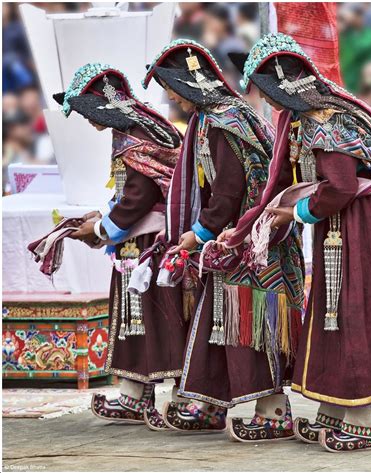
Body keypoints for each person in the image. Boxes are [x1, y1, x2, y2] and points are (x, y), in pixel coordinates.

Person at [226, 33, 371, 452]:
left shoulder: (328, 122)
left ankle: (366, 420)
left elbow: (340, 186)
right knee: (333, 309)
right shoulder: (316, 117)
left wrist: (295, 213)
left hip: (361, 226)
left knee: (355, 310)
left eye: (267, 92)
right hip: (343, 225)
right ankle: (335, 409)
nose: (268, 102)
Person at [142, 39, 305, 442]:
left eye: (171, 89)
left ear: (186, 85)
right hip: (240, 240)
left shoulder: (221, 122)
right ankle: (209, 403)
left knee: (246, 327)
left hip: (249, 244)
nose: (171, 99)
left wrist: (200, 233)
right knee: (219, 323)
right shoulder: (218, 117)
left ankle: (274, 413)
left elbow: (229, 190)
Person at [53, 64, 188, 428]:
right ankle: (134, 394)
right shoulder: (137, 127)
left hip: (148, 242)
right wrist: (105, 215)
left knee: (153, 317)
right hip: (139, 239)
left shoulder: (137, 133)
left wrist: (100, 227)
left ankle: (176, 398)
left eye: (86, 112)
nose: (87, 121)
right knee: (136, 318)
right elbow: (131, 191)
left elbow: (141, 195)